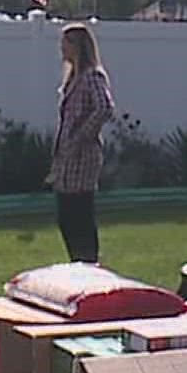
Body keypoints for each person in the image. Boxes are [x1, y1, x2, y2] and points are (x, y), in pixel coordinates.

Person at [47, 23, 114, 263]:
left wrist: (81, 135)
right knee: (66, 213)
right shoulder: (73, 78)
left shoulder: (92, 76)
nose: (61, 48)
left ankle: (88, 261)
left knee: (79, 211)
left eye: (65, 43)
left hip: (83, 155)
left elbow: (104, 107)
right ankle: (77, 260)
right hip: (67, 154)